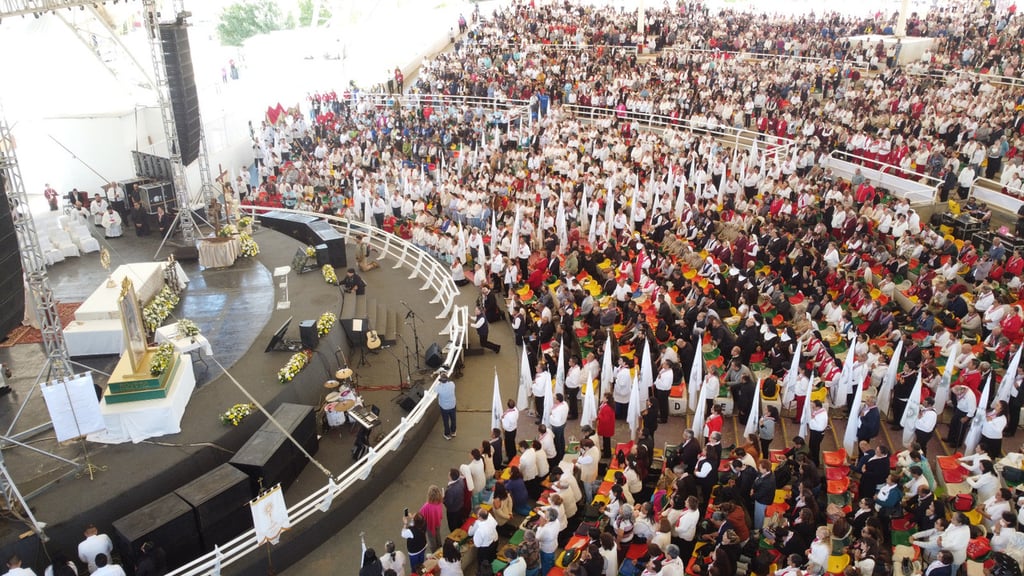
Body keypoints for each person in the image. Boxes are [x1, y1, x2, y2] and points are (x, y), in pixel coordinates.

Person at [437, 372, 456, 440]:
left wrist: (439, 383)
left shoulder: (439, 388)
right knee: (453, 419)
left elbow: (435, 390)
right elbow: (449, 382)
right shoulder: (452, 384)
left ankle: (447, 434)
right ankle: (453, 431)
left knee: (446, 421)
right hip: (452, 405)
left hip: (444, 408)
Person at [501, 399, 519, 465]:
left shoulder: (507, 415)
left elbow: (505, 426)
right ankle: (514, 452)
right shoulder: (516, 410)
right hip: (514, 429)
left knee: (508, 445)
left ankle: (510, 458)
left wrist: (502, 419)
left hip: (509, 431)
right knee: (512, 442)